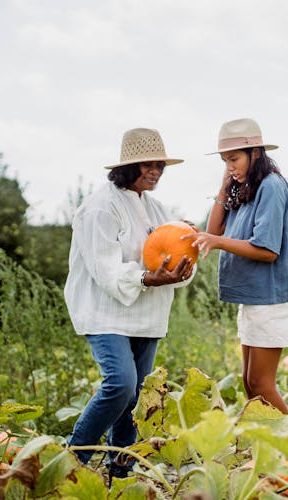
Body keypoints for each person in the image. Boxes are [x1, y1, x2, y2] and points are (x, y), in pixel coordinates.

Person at [64, 127, 195, 478]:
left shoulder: (158, 209)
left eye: (159, 165)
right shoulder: (99, 208)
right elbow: (104, 268)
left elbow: (171, 259)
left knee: (135, 398)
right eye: (147, 165)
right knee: (120, 384)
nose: (155, 171)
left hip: (146, 315)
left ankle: (121, 472)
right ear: (126, 167)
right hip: (106, 312)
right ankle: (72, 460)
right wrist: (145, 278)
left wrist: (188, 250)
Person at [186, 118, 288, 414]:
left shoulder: (272, 186)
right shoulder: (244, 186)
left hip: (271, 297)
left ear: (256, 153)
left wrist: (217, 241)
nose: (230, 167)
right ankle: (271, 447)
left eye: (234, 159)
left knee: (262, 384)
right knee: (250, 383)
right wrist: (223, 189)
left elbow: (266, 251)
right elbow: (212, 230)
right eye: (225, 161)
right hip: (253, 297)